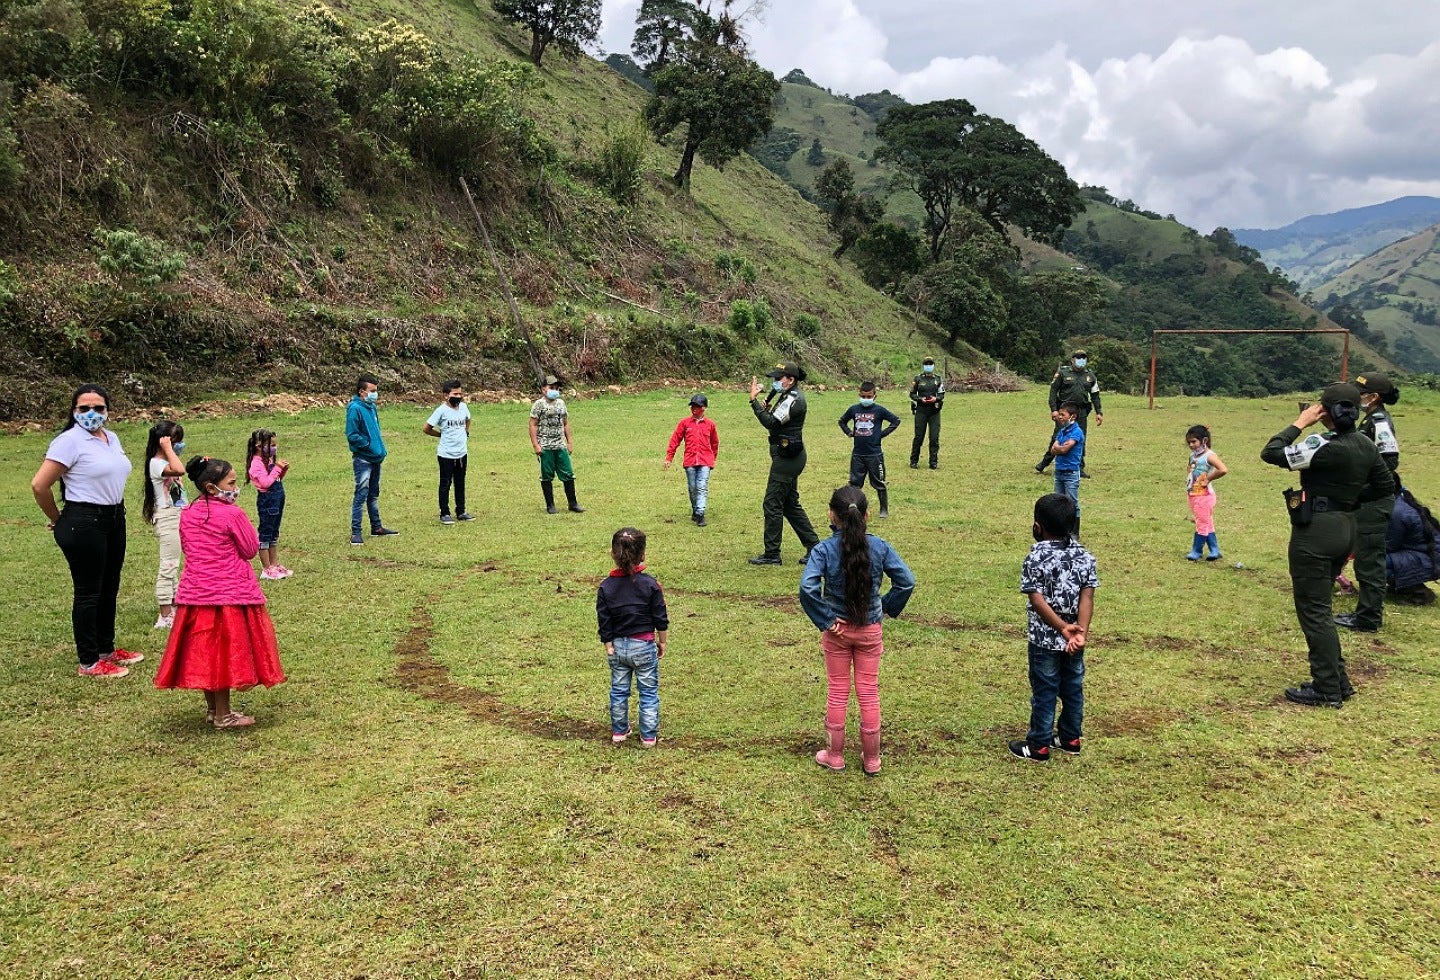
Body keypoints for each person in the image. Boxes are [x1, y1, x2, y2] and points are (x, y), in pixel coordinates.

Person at [1261, 383, 1395, 708]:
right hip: (1346, 527)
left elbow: (1271, 451)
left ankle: (1326, 688)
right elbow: (1385, 485)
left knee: (1314, 611)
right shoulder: (1364, 444)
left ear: (1326, 413)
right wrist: (1345, 500)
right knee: (1322, 609)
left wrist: (1300, 422)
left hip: (1316, 532)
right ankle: (1339, 680)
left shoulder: (1319, 446)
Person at [154, 456, 286, 728]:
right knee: (224, 653)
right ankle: (224, 715)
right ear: (212, 487)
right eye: (232, 482)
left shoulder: (189, 512)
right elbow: (250, 549)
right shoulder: (232, 514)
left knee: (205, 651)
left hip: (195, 594)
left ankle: (214, 709)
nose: (237, 487)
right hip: (230, 593)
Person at [800, 486, 915, 776]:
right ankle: (871, 759)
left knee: (838, 691)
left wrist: (826, 619)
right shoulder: (879, 546)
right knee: (868, 692)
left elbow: (807, 587)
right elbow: (906, 581)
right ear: (867, 515)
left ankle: (834, 756)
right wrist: (884, 607)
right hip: (870, 630)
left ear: (831, 515)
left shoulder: (823, 550)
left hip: (837, 631)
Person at [31, 384, 142, 677]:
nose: (92, 413)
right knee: (89, 592)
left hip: (114, 517)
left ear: (108, 411)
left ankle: (106, 648)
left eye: (99, 408)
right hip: (84, 520)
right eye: (84, 408)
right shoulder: (68, 442)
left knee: (109, 586)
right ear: (74, 410)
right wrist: (58, 518)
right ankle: (89, 661)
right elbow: (39, 485)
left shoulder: (111, 438)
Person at [1009, 493, 1098, 762]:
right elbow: (1088, 596)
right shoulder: (1085, 556)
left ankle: (1039, 745)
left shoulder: (1034, 557)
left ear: (1037, 527)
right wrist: (1079, 631)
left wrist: (1061, 627)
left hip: (1044, 641)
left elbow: (1036, 598)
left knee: (1045, 690)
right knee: (1072, 687)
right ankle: (1070, 737)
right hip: (1075, 642)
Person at [1336, 372, 1401, 632]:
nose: (1355, 396)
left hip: (1374, 501)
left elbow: (1390, 459)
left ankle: (1368, 618)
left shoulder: (1379, 421)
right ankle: (1365, 613)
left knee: (1369, 561)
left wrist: (1366, 484)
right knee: (1365, 557)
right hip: (1366, 499)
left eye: (1359, 392)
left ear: (1373, 397)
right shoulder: (1370, 419)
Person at [597, 527, 668, 747]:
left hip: (617, 648)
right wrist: (662, 641)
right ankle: (648, 735)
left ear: (612, 553)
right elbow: (660, 616)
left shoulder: (606, 587)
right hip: (644, 646)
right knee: (648, 691)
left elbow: (604, 618)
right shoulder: (650, 584)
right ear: (643, 555)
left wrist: (608, 644)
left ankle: (619, 731)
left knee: (619, 690)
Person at [748, 362, 821, 565]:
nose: (775, 382)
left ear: (791, 379)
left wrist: (753, 401)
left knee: (772, 503)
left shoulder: (794, 399)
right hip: (787, 454)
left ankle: (772, 554)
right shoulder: (787, 395)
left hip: (788, 458)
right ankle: (814, 546)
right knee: (789, 504)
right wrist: (765, 409)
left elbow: (771, 423)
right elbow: (775, 420)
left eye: (779, 378)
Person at [143, 420, 187, 628]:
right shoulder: (156, 464)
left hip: (177, 515)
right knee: (168, 565)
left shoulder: (165, 462)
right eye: (176, 441)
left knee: (174, 564)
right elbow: (179, 470)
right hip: (167, 517)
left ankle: (174, 605)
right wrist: (169, 449)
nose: (179, 445)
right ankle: (164, 615)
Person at [346, 373, 398, 545]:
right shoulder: (355, 409)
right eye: (372, 391)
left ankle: (377, 527)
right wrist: (368, 444)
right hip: (363, 459)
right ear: (362, 391)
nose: (375, 394)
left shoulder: (371, 407)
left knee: (373, 494)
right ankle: (356, 532)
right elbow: (352, 435)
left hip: (376, 457)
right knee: (361, 494)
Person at [838, 380, 901, 518]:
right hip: (858, 454)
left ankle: (883, 509)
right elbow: (842, 421)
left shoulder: (879, 410)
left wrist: (883, 433)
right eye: (863, 396)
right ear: (859, 394)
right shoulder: (854, 409)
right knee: (855, 484)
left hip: (875, 454)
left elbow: (895, 420)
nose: (866, 399)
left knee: (879, 483)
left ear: (874, 396)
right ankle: (854, 509)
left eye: (869, 397)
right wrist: (849, 432)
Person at [1036, 348, 1103, 476]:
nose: (1081, 361)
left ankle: (1079, 468)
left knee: (1080, 438)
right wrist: (1054, 410)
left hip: (1081, 412)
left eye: (1084, 358)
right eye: (1078, 358)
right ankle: (1044, 463)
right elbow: (1053, 392)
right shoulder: (1062, 373)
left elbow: (1095, 395)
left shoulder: (1090, 376)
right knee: (1058, 437)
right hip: (1064, 411)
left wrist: (1099, 412)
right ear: (1072, 360)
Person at [529, 373, 585, 514]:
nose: (555, 390)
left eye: (556, 388)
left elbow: (565, 423)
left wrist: (570, 442)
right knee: (547, 475)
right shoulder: (538, 405)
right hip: (545, 446)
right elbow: (533, 425)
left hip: (560, 445)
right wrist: (536, 445)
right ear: (543, 389)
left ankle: (573, 503)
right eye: (551, 387)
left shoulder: (561, 403)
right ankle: (550, 505)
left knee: (568, 473)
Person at [664, 393, 720, 526]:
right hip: (690, 461)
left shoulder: (710, 425)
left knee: (702, 486)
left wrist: (713, 457)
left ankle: (700, 513)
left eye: (697, 406)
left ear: (704, 408)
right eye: (692, 406)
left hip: (705, 460)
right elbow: (675, 439)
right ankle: (696, 510)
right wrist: (669, 458)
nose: (694, 409)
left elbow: (715, 443)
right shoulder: (684, 423)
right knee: (692, 488)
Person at [424, 379, 474, 524]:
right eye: (455, 394)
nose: (458, 396)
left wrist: (465, 432)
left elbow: (468, 419)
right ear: (446, 395)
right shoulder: (441, 411)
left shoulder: (464, 407)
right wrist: (440, 435)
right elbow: (426, 428)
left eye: (460, 393)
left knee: (460, 482)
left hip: (462, 453)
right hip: (446, 454)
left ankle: (461, 511)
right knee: (445, 483)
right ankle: (444, 513)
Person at [245, 428, 291, 579]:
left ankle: (274, 564)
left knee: (274, 533)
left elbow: (275, 479)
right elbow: (265, 483)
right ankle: (266, 569)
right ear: (259, 446)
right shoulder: (256, 464)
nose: (274, 448)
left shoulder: (268, 461)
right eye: (271, 445)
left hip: (277, 499)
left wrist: (282, 470)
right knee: (265, 533)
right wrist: (277, 468)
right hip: (267, 501)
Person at [1386, 488, 1440, 604]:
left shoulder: (1396, 511)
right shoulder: (1400, 500)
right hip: (1425, 554)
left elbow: (1390, 545)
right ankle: (1403, 586)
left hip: (1429, 558)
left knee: (1374, 562)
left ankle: (1418, 591)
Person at [1184, 424, 1228, 561]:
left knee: (1201, 523)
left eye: (1194, 442)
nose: (1191, 445)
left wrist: (1208, 479)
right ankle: (1214, 550)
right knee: (1206, 521)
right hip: (1193, 494)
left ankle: (1196, 551)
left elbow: (1223, 469)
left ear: (1204, 441)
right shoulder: (1193, 456)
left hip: (1204, 496)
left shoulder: (1210, 456)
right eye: (1189, 442)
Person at [1050, 403, 1085, 535]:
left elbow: (1064, 449)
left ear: (1073, 416)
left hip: (1071, 473)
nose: (1059, 417)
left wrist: (1059, 448)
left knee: (1072, 503)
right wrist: (1059, 448)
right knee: (1058, 503)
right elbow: (1052, 450)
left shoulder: (1077, 432)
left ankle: (1074, 533)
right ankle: (1060, 530)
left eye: (1063, 415)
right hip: (1059, 472)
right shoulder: (1062, 431)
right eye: (1059, 414)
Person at [908, 356, 945, 469]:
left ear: (933, 365)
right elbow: (912, 394)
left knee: (934, 437)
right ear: (924, 365)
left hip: (934, 411)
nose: (928, 366)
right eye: (926, 364)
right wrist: (920, 399)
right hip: (921, 411)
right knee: (919, 437)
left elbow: (942, 394)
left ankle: (933, 462)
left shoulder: (938, 379)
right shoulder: (918, 378)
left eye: (930, 364)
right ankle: (914, 461)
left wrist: (936, 398)